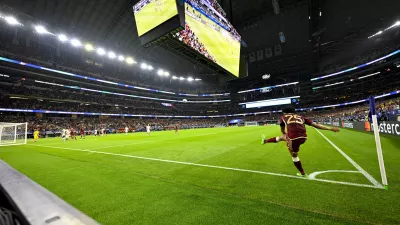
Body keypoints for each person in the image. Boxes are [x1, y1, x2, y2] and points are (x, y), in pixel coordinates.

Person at [261, 105, 340, 177]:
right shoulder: (301, 117)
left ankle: (303, 173)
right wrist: (330, 129)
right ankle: (265, 141)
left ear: (284, 112)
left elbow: (282, 129)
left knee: (294, 155)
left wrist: (286, 135)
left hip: (293, 139)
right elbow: (316, 125)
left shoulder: (283, 117)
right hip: (304, 138)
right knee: (282, 138)